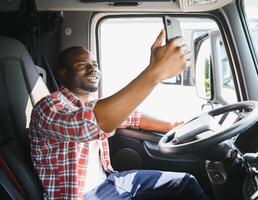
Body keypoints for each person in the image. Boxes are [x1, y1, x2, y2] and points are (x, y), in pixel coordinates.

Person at [29, 30, 208, 200]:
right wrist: (155, 73)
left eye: (95, 65)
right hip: (80, 196)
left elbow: (132, 116)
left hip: (109, 180)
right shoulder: (47, 107)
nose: (92, 70)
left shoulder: (93, 103)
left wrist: (172, 126)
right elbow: (91, 124)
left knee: (186, 183)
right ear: (64, 73)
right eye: (82, 65)